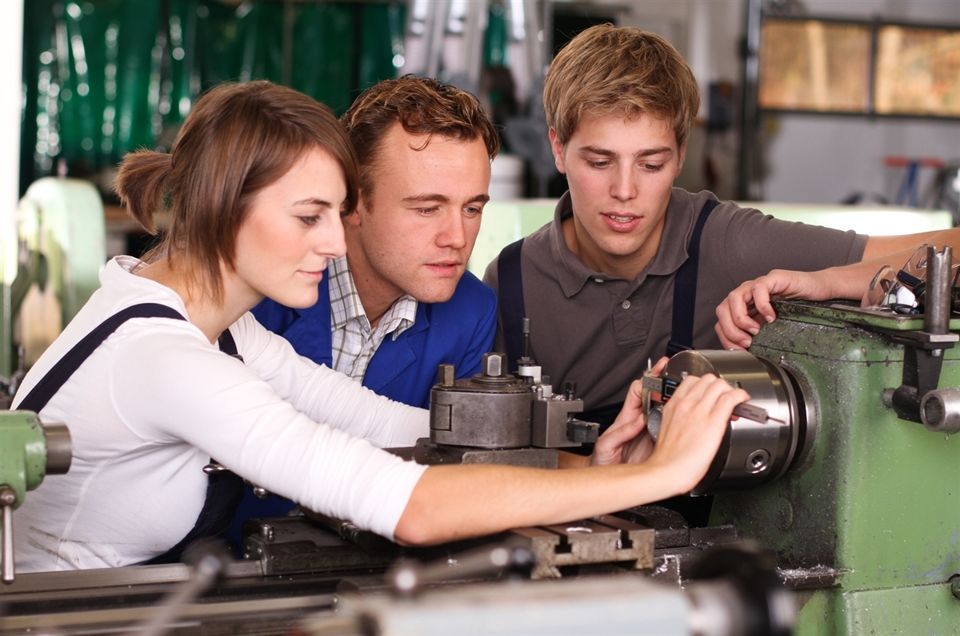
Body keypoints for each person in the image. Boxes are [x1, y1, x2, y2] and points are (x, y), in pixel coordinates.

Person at [11, 80, 749, 572]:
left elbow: (373, 424)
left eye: (336, 213)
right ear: (224, 209)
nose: (337, 242)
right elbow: (409, 507)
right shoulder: (166, 358)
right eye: (310, 217)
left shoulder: (215, 329)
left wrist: (595, 471)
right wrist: (666, 473)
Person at [483, 24, 960, 427]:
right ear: (558, 149)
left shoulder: (724, 240)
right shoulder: (512, 283)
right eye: (600, 161)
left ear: (680, 156)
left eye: (650, 165)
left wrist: (821, 283)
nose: (624, 190)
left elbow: (952, 246)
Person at [252, 76, 498, 410]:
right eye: (427, 209)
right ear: (350, 202)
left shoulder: (471, 310)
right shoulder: (259, 292)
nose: (457, 238)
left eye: (471, 208)